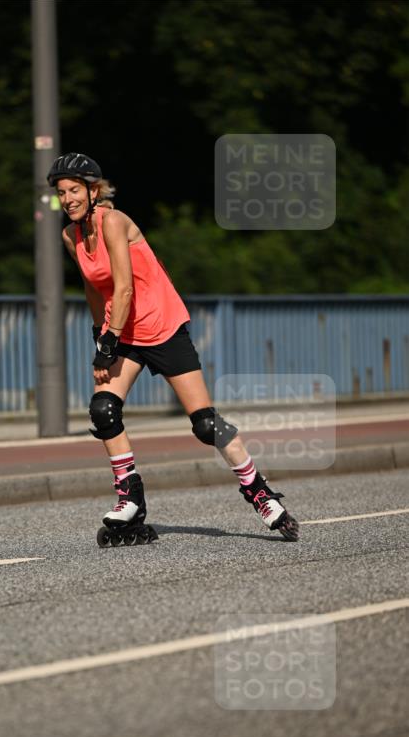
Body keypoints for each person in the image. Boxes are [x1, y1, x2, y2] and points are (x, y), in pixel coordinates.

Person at [47, 152, 299, 544]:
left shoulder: (114, 221)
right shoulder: (70, 236)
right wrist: (101, 336)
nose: (67, 199)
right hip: (123, 332)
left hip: (161, 326)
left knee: (205, 425)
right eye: (61, 193)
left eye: (74, 190)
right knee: (103, 410)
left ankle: (260, 493)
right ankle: (130, 498)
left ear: (93, 191)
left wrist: (108, 342)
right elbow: (94, 288)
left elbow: (124, 287)